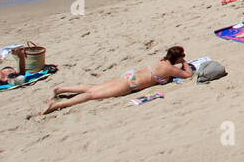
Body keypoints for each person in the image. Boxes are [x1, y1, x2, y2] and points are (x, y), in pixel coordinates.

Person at [31, 46, 195, 116]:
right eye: (182, 56)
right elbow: (188, 76)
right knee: (92, 95)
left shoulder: (162, 61)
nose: (184, 57)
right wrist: (184, 63)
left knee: (94, 87)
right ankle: (56, 105)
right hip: (130, 85)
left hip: (128, 76)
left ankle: (61, 89)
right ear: (177, 58)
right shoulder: (170, 69)